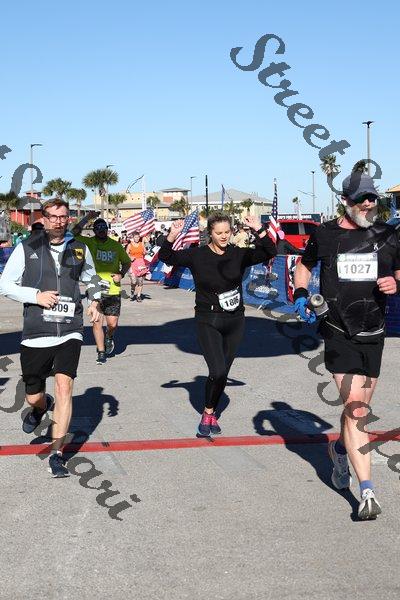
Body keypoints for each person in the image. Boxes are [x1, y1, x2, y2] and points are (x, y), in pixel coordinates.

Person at [293, 172, 400, 520]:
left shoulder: (387, 235)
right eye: (361, 199)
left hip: (374, 331)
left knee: (360, 407)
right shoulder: (325, 234)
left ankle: (339, 449)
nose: (368, 204)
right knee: (356, 410)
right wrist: (300, 293)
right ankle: (367, 493)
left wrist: (394, 283)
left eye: (372, 198)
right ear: (345, 201)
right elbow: (304, 265)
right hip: (338, 329)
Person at [0, 198, 101, 478]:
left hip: (70, 329)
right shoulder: (27, 247)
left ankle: (57, 454)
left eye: (63, 216)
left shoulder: (80, 248)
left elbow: (92, 279)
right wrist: (36, 296)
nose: (58, 221)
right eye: (53, 216)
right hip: (37, 332)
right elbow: (4, 284)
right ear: (43, 219)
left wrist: (95, 301)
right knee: (33, 396)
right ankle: (39, 408)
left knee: (64, 386)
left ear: (69, 219)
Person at [159, 212, 276, 436]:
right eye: (219, 232)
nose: (224, 236)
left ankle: (211, 412)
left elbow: (270, 252)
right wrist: (172, 235)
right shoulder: (197, 255)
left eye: (227, 232)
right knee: (218, 370)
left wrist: (259, 229)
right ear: (210, 233)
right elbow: (167, 257)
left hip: (235, 320)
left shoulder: (238, 254)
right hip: (208, 319)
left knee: (222, 373)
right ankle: (207, 413)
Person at [71, 215, 131, 363]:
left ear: (107, 229)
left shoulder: (116, 245)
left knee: (112, 324)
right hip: (94, 289)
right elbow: (73, 233)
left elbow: (127, 262)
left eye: (104, 228)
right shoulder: (89, 243)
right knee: (97, 321)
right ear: (94, 231)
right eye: (98, 228)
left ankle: (109, 337)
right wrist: (86, 218)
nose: (101, 230)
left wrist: (121, 274)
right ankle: (101, 351)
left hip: (113, 290)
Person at [127, 231, 147, 301]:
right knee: (134, 281)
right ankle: (132, 290)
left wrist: (145, 252)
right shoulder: (130, 245)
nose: (137, 238)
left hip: (140, 263)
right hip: (133, 264)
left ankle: (138, 296)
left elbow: (145, 252)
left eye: (138, 237)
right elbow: (126, 254)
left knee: (140, 281)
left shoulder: (141, 244)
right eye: (135, 237)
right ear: (133, 238)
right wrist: (130, 257)